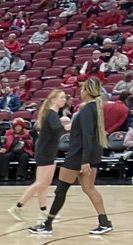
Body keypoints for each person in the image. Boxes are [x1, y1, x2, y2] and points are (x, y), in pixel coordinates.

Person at [30, 77, 114, 236]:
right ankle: (105, 222)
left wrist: (85, 161)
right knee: (89, 189)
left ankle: (47, 225)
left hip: (78, 156)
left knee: (61, 190)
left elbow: (88, 136)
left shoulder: (88, 110)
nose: (80, 92)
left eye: (82, 89)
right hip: (87, 156)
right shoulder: (94, 109)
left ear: (88, 91)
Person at [10, 89, 66, 220]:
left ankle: (43, 210)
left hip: (50, 151)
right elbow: (57, 129)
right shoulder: (51, 114)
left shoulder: (52, 113)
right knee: (40, 182)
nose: (64, 100)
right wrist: (69, 126)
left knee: (45, 184)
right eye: (62, 97)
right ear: (53, 100)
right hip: (45, 152)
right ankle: (17, 207)